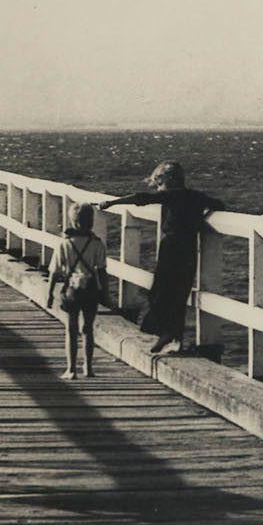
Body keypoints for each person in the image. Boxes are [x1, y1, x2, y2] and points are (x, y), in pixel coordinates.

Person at [99, 161, 226, 355]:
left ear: (167, 181)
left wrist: (112, 203)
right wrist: (198, 220)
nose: (158, 188)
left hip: (171, 248)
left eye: (159, 184)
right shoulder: (195, 196)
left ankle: (167, 335)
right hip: (189, 249)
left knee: (160, 292)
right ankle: (175, 338)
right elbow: (219, 204)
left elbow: (141, 198)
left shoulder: (171, 195)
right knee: (179, 293)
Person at [46, 202, 108, 379]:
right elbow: (102, 271)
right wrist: (105, 293)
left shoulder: (64, 243)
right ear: (91, 222)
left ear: (73, 222)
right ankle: (88, 368)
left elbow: (54, 271)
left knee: (71, 329)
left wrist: (49, 294)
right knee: (88, 328)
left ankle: (71, 369)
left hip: (71, 290)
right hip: (90, 289)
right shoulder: (97, 244)